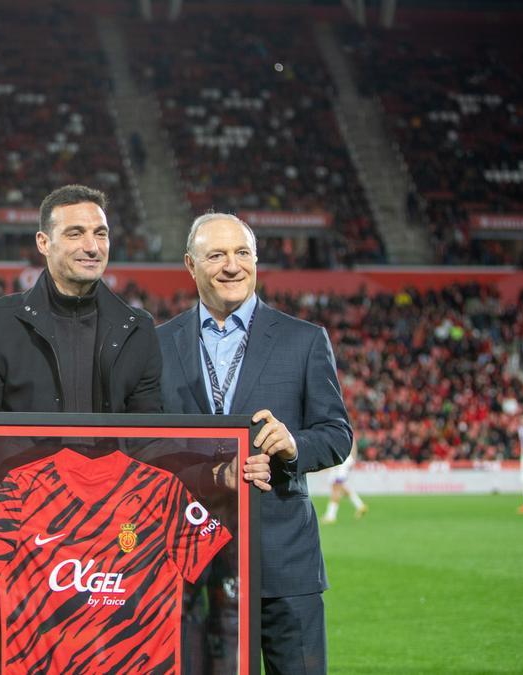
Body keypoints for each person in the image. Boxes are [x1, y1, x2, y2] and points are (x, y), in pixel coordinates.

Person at [0, 186, 269, 673]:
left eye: (100, 233)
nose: (91, 245)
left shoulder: (136, 326)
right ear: (43, 242)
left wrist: (217, 473)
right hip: (26, 562)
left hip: (111, 567)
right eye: (75, 233)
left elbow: (152, 442)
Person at [157, 213, 352, 675]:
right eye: (217, 255)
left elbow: (337, 434)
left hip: (284, 561)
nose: (232, 265)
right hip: (191, 561)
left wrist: (293, 446)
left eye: (242, 253)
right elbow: (147, 445)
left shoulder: (304, 340)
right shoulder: (159, 344)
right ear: (190, 264)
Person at [322, 440, 368, 524]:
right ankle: (360, 505)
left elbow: (352, 442)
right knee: (340, 487)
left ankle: (331, 515)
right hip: (340, 461)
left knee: (336, 487)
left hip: (341, 462)